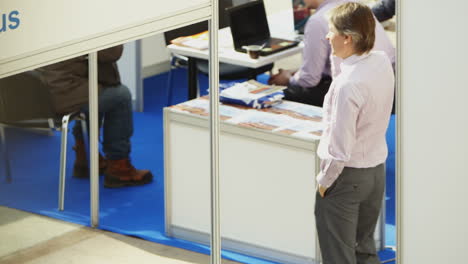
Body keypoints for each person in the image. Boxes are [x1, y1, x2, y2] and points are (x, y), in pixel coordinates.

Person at [314, 2, 394, 264]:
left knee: (338, 255)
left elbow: (339, 148)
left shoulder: (347, 87)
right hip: (375, 172)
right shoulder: (380, 62)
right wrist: (338, 58)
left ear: (347, 38)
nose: (327, 37)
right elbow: (342, 73)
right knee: (364, 250)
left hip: (346, 177)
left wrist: (325, 183)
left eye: (332, 31)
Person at [37, 45, 153, 188]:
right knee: (120, 96)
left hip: (44, 93)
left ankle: (86, 158)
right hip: (63, 93)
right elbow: (112, 53)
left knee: (97, 90)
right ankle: (119, 167)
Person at [268, 0, 395, 107]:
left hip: (358, 95)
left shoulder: (317, 21)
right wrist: (296, 71)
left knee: (281, 93)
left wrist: (288, 79)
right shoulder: (356, 6)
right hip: (389, 86)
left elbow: (309, 79)